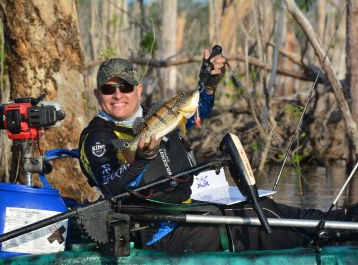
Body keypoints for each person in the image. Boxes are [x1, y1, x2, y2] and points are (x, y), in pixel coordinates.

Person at [79, 48, 358, 253]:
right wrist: (141, 159)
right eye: (108, 89)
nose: (118, 95)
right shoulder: (97, 138)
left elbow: (198, 111)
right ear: (97, 95)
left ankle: (342, 221)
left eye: (125, 87)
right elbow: (113, 187)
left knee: (264, 208)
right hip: (157, 229)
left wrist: (209, 83)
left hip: (192, 209)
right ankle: (335, 233)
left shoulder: (156, 114)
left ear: (138, 90)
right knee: (257, 219)